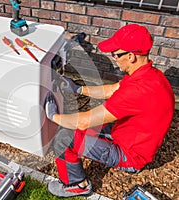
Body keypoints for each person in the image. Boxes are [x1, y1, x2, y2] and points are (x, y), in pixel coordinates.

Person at [44, 24, 175, 197]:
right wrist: (78, 89)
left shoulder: (137, 91)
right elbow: (112, 89)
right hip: (129, 136)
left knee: (63, 139)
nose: (113, 58)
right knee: (74, 127)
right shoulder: (150, 75)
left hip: (130, 155)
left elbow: (84, 120)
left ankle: (76, 185)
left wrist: (53, 116)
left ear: (131, 56)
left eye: (116, 54)